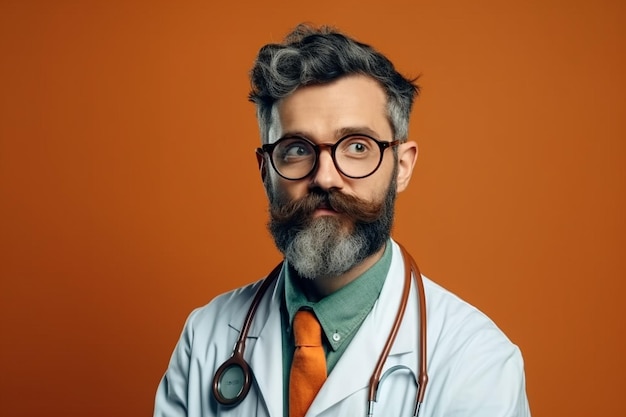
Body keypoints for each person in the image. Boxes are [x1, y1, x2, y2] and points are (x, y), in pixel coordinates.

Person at [153, 24, 531, 417]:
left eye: (356, 146)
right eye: (297, 148)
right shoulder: (206, 338)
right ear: (266, 170)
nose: (326, 177)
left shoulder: (477, 362)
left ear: (401, 167)